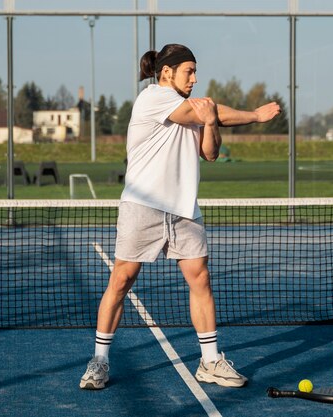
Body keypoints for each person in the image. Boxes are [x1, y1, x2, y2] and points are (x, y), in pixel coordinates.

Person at [80, 43, 281, 390]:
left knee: (200, 278)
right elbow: (209, 111)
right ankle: (99, 361)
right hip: (143, 207)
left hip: (185, 209)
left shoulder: (193, 109)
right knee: (122, 280)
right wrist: (254, 115)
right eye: (189, 71)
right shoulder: (153, 97)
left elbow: (211, 153)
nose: (195, 78)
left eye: (195, 71)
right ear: (167, 72)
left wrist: (211, 122)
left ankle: (210, 361)